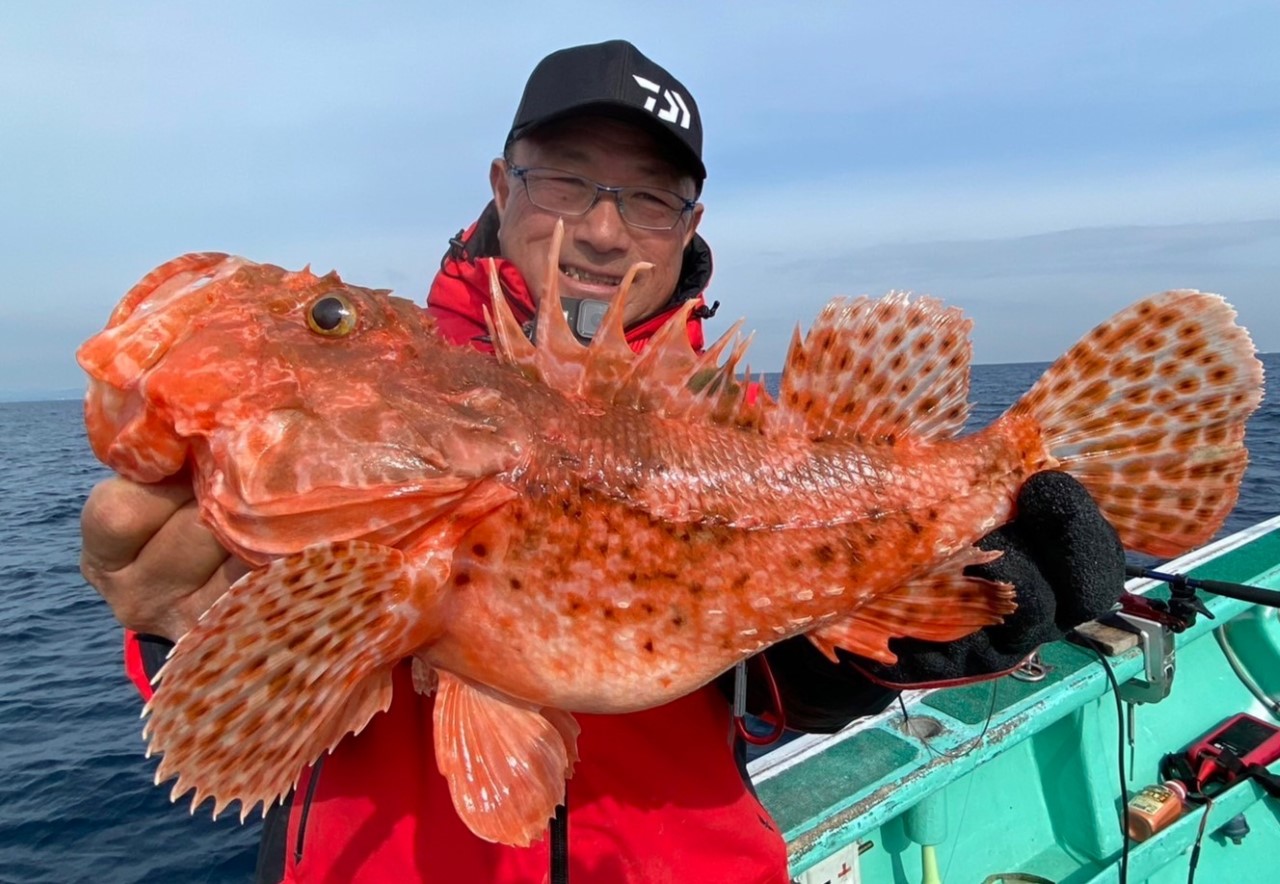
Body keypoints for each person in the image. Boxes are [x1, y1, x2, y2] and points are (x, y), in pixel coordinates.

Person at [80, 40, 1126, 884]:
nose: (599, 227)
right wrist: (178, 624)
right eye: (566, 179)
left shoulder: (756, 430)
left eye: (647, 196)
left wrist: (885, 640)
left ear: (689, 225)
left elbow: (775, 683)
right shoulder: (389, 398)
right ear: (500, 182)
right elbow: (220, 678)